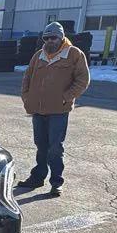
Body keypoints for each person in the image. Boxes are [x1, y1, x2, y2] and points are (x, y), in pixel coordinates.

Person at [16, 22, 90, 197]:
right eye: (47, 38)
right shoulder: (38, 56)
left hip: (58, 110)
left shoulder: (73, 54)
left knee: (55, 148)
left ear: (61, 37)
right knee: (40, 145)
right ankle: (37, 177)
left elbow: (83, 79)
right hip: (38, 109)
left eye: (53, 37)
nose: (50, 41)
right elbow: (27, 77)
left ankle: (56, 182)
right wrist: (27, 97)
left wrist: (66, 97)